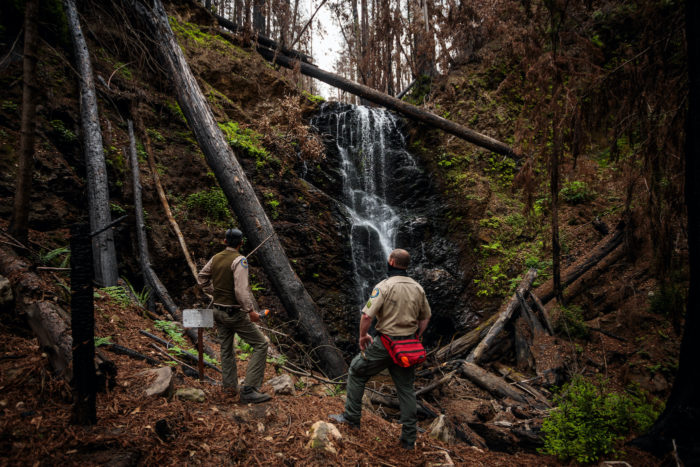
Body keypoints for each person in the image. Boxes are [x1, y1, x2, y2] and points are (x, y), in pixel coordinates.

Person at [330, 249, 431, 450]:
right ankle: (409, 438)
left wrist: (362, 336)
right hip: (407, 346)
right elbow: (425, 317)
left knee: (357, 371)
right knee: (406, 389)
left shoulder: (384, 286)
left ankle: (351, 418)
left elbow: (367, 316)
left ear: (392, 262)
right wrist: (416, 338)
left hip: (385, 343)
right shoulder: (418, 288)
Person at [198, 228, 271, 403]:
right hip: (234, 313)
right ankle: (249, 390)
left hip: (218, 312)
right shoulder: (240, 260)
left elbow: (201, 279)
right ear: (241, 243)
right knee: (261, 344)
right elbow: (240, 290)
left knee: (226, 349)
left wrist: (216, 293)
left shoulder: (216, 258)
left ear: (224, 241)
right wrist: (251, 312)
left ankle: (229, 388)